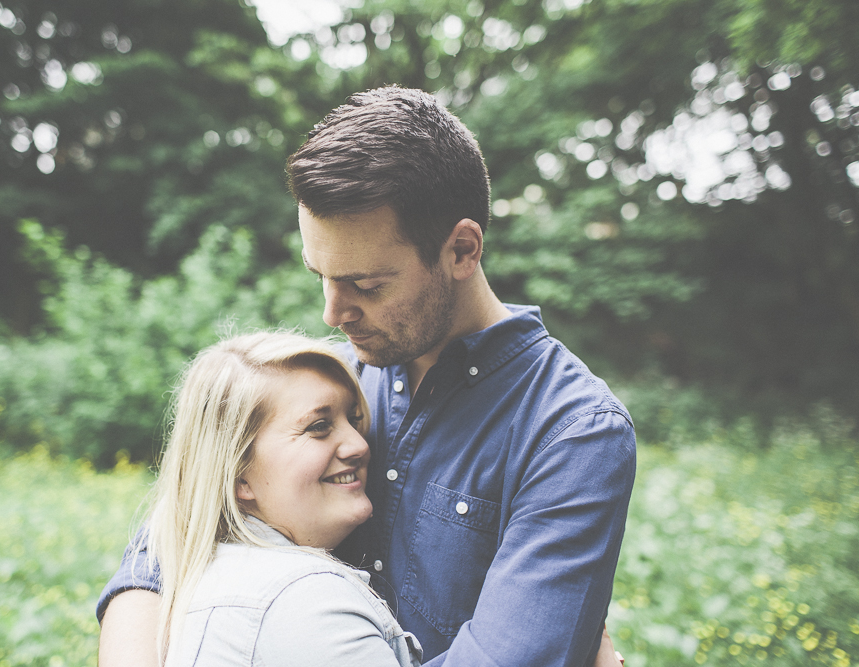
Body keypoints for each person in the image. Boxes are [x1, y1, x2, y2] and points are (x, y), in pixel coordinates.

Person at [98, 86, 636, 666]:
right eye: (321, 276)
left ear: (461, 251)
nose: (333, 314)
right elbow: (171, 535)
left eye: (367, 285)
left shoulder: (572, 431)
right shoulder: (334, 380)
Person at [141, 331, 423, 666]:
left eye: (354, 419)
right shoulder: (306, 602)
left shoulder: (213, 577)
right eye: (318, 426)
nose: (360, 445)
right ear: (239, 477)